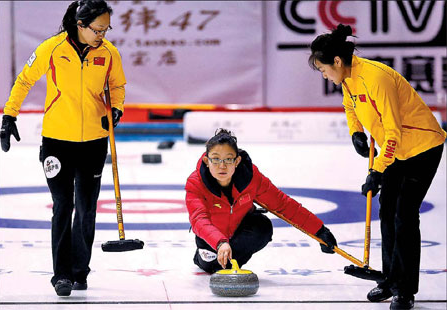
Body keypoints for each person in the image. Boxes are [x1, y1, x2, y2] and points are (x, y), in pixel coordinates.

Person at [309, 24, 446, 310]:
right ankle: (388, 278)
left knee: (405, 216)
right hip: (397, 151)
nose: (323, 75)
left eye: (323, 69)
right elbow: (350, 105)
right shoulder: (348, 77)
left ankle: (405, 290)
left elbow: (394, 132)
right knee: (387, 210)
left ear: (336, 61)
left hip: (422, 147)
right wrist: (355, 131)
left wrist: (376, 171)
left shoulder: (375, 78)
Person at [0, 0, 126, 297]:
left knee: (86, 208)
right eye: (97, 29)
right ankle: (62, 275)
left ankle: (80, 270)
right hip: (57, 140)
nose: (102, 35)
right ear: (80, 25)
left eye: (106, 29)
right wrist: (8, 117)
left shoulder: (108, 53)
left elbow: (117, 86)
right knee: (62, 206)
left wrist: (116, 108)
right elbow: (25, 80)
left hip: (94, 141)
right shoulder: (52, 48)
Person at [185, 128, 338, 274]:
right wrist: (220, 242)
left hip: (239, 233)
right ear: (206, 160)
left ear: (237, 161)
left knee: (262, 227)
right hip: (211, 240)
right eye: (216, 159)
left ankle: (228, 261)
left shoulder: (251, 178)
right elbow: (199, 220)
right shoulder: (195, 183)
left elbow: (282, 203)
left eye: (228, 159)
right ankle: (207, 259)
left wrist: (319, 231)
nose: (222, 165)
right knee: (211, 266)